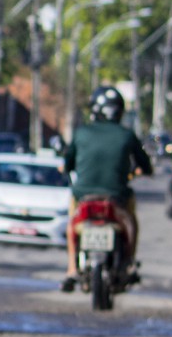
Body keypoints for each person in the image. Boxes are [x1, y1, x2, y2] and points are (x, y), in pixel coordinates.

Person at [61, 86, 152, 288]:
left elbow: (67, 164)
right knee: (130, 222)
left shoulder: (81, 132)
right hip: (116, 198)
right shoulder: (127, 135)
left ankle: (71, 268)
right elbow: (145, 165)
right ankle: (129, 263)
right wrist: (140, 171)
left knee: (71, 225)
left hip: (83, 197)